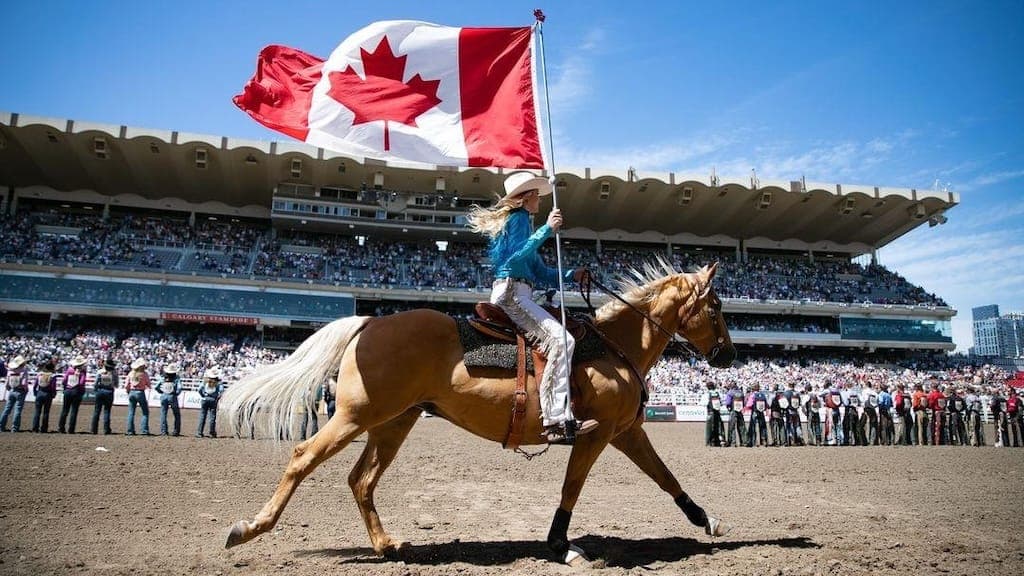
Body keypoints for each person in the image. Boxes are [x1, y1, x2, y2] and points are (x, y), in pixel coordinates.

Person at [466, 171, 596, 445]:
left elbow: (540, 271)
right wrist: (547, 229)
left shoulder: (521, 221)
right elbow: (515, 258)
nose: (540, 199)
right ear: (526, 198)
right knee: (563, 342)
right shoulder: (520, 219)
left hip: (517, 290)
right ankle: (555, 419)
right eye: (536, 194)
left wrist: (572, 274)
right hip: (513, 292)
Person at [59, 356, 88, 434]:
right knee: (74, 411)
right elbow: (82, 383)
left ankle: (61, 427)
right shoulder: (82, 372)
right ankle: (71, 429)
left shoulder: (69, 370)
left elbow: (64, 380)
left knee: (65, 410)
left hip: (68, 391)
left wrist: (66, 388)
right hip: (76, 392)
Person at [0, 355, 30, 432]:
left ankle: (1, 426)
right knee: (18, 410)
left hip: (12, 391)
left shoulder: (10, 371)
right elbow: (24, 383)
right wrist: (26, 390)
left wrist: (9, 388)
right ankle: (14, 428)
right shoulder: (23, 371)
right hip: (20, 391)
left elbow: (7, 384)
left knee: (7, 409)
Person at [124, 358, 151, 436]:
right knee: (145, 412)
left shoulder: (131, 373)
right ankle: (144, 430)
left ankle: (130, 430)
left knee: (131, 412)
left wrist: (128, 391)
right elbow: (148, 384)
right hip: (140, 392)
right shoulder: (144, 374)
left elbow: (126, 385)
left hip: (132, 392)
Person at [90, 359, 118, 435]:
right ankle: (106, 429)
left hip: (100, 391)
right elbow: (116, 384)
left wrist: (96, 390)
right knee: (107, 411)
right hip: (109, 392)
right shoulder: (114, 372)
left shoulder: (100, 372)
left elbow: (95, 383)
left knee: (96, 411)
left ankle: (93, 429)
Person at [32, 360, 58, 433]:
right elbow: (53, 387)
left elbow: (35, 385)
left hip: (40, 392)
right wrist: (54, 394)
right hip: (48, 394)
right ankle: (44, 428)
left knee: (37, 412)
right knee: (46, 412)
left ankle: (35, 428)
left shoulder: (40, 374)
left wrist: (35, 393)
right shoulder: (53, 376)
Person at [156, 363, 182, 436]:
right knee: (176, 414)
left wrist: (161, 391)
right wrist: (176, 393)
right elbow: (179, 388)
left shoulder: (163, 378)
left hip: (164, 396)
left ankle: (164, 431)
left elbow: (156, 386)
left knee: (163, 414)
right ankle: (176, 431)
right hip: (172, 396)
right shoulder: (176, 378)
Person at [196, 367, 223, 438]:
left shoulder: (205, 381)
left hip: (205, 399)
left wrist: (203, 395)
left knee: (202, 416)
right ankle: (212, 432)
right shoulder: (218, 383)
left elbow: (199, 389)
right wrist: (217, 398)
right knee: (212, 417)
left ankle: (199, 432)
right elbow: (221, 392)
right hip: (213, 400)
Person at [745, 382, 769, 447]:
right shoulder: (763, 395)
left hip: (754, 412)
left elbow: (749, 405)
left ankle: (753, 441)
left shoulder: (752, 395)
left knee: (752, 427)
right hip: (761, 412)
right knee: (763, 427)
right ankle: (764, 440)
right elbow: (766, 405)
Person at [723, 383, 745, 447]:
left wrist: (728, 408)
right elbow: (743, 402)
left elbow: (728, 403)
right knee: (741, 427)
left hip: (733, 411)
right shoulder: (741, 393)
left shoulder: (730, 393)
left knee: (732, 427)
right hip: (740, 411)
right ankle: (743, 441)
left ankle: (733, 442)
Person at [704, 382, 724, 447]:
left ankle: (709, 442)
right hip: (717, 412)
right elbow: (721, 402)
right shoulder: (718, 393)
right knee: (718, 427)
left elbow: (704, 403)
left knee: (709, 428)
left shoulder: (707, 394)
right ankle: (718, 441)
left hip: (710, 412)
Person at [927, 381, 946, 446]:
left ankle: (936, 442)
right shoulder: (941, 394)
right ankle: (942, 441)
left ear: (932, 387)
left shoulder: (932, 395)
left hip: (936, 412)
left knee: (936, 427)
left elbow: (930, 404)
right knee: (942, 427)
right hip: (943, 412)